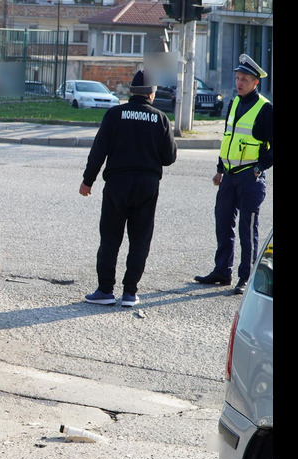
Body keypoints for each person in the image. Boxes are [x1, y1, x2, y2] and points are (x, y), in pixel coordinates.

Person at [80, 70, 178, 307]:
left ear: (131, 91)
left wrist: (87, 181)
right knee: (140, 239)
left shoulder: (114, 115)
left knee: (111, 238)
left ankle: (105, 291)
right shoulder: (161, 119)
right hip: (147, 186)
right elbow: (169, 158)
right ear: (152, 94)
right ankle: (130, 293)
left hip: (117, 184)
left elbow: (99, 150)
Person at [194, 54, 273, 295]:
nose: (239, 83)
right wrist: (220, 169)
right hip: (229, 176)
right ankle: (222, 271)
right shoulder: (234, 102)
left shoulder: (265, 108)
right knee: (223, 224)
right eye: (238, 78)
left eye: (244, 79)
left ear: (255, 83)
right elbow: (228, 138)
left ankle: (245, 277)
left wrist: (259, 168)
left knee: (247, 231)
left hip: (250, 177)